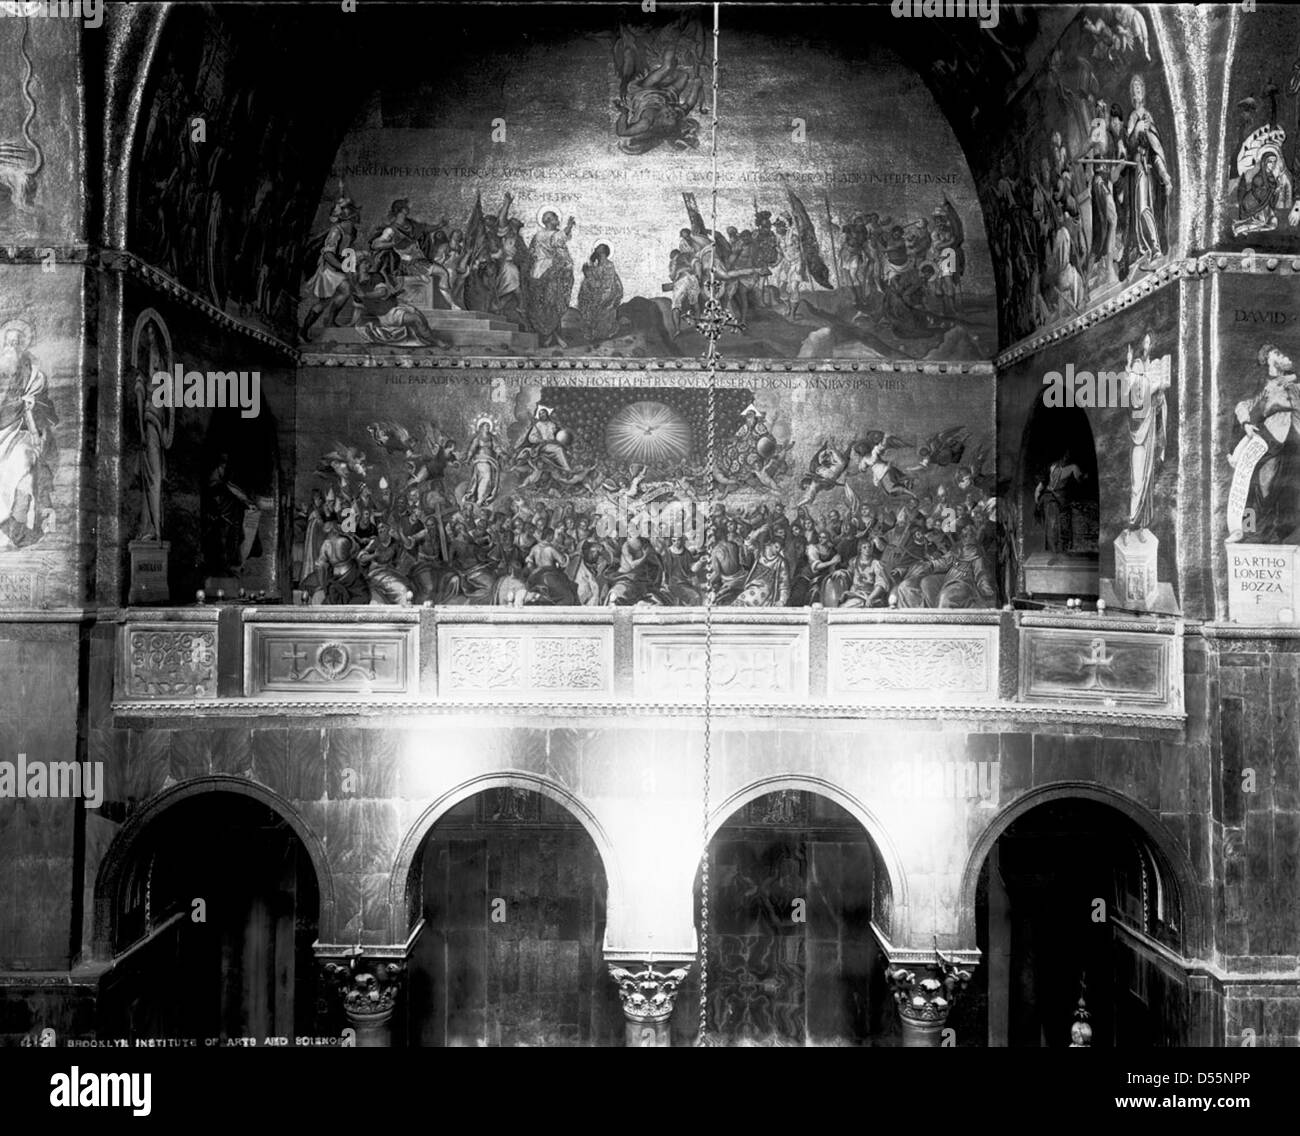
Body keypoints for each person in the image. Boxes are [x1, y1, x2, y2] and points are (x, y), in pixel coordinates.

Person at [0, 320, 57, 548]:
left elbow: (44, 407)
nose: (12, 346)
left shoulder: (35, 375)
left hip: (23, 431)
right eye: (9, 342)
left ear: (24, 345)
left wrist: (34, 412)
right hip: (1, 432)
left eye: (17, 342)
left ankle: (20, 530)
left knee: (25, 462)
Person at [1125, 331, 1171, 536]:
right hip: (1139, 433)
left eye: (1150, 342)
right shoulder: (1136, 366)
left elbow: (1157, 406)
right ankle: (1132, 520)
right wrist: (1147, 385)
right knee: (1137, 479)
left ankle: (1143, 525)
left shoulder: (1152, 366)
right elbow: (1134, 397)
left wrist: (1160, 396)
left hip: (1151, 429)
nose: (1147, 345)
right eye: (1144, 342)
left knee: (1149, 477)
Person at [526, 211, 576, 347]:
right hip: (550, 269)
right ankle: (554, 336)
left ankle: (550, 336)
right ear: (548, 220)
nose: (558, 220)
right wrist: (569, 226)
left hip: (536, 271)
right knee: (553, 303)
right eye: (555, 218)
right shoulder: (553, 235)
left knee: (545, 304)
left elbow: (531, 252)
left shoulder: (537, 236)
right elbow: (560, 240)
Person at [576, 243, 623, 346]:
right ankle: (592, 333)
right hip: (594, 293)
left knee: (599, 311)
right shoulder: (596, 265)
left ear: (603, 251)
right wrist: (588, 273)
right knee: (587, 303)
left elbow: (607, 284)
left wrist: (590, 276)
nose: (595, 249)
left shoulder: (609, 265)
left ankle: (601, 334)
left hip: (605, 294)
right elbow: (591, 281)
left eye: (598, 248)